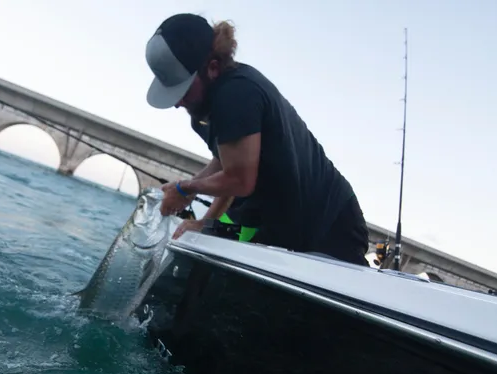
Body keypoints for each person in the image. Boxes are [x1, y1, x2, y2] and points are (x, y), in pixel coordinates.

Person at [144, 13, 370, 266]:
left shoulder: (236, 94)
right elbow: (227, 164)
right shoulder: (202, 113)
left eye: (182, 89)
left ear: (213, 68)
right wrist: (204, 220)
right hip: (281, 221)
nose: (176, 102)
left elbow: (240, 180)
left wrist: (186, 188)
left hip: (330, 224)